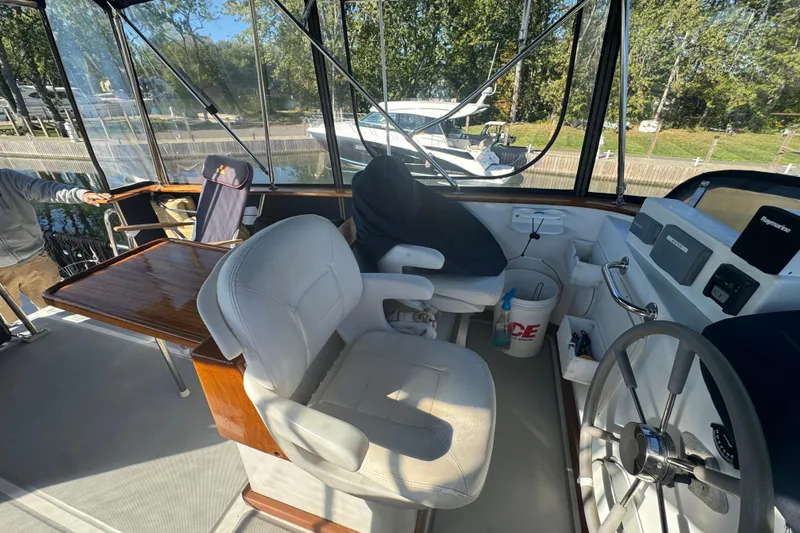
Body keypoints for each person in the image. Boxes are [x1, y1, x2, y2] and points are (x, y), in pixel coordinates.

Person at [0, 169, 111, 324]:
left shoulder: (6, 178)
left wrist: (81, 194)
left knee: (63, 314)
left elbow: (45, 188)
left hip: (36, 260)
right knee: (8, 327)